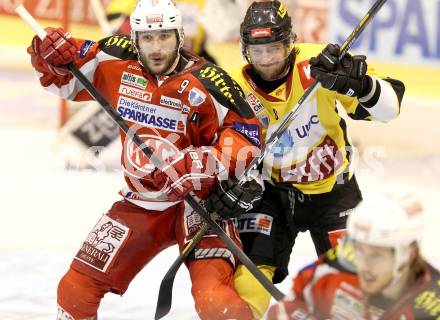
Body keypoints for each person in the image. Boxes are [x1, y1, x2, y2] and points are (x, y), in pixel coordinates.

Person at [28, 0, 264, 319]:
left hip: (200, 204)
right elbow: (66, 78)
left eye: (165, 37)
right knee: (74, 291)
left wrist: (204, 165)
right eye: (147, 38)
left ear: (180, 36)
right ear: (134, 38)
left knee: (214, 302)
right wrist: (49, 58)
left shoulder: (211, 80)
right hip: (142, 203)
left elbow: (248, 134)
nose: (156, 48)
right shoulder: (113, 56)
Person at [206, 0, 405, 317]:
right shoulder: (230, 87)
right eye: (258, 51)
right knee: (249, 281)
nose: (267, 59)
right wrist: (221, 186)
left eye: (274, 48)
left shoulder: (321, 66)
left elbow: (391, 107)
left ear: (290, 43)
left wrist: (361, 84)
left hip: (334, 193)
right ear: (244, 49)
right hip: (271, 194)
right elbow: (206, 144)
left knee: (354, 290)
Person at [267, 193, 440, 320]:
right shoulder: (338, 266)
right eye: (359, 250)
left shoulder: (433, 306)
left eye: (376, 256)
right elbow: (289, 308)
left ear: (408, 255)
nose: (363, 265)